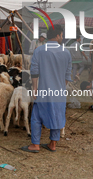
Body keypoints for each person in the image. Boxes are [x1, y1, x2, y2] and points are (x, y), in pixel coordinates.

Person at [21, 25, 72, 153]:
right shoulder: (66, 52)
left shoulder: (39, 50)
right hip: (59, 91)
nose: (62, 37)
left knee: (36, 117)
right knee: (57, 115)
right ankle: (52, 144)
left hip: (43, 90)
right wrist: (61, 86)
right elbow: (67, 75)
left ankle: (35, 144)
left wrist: (34, 88)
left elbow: (34, 72)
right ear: (58, 35)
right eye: (61, 35)